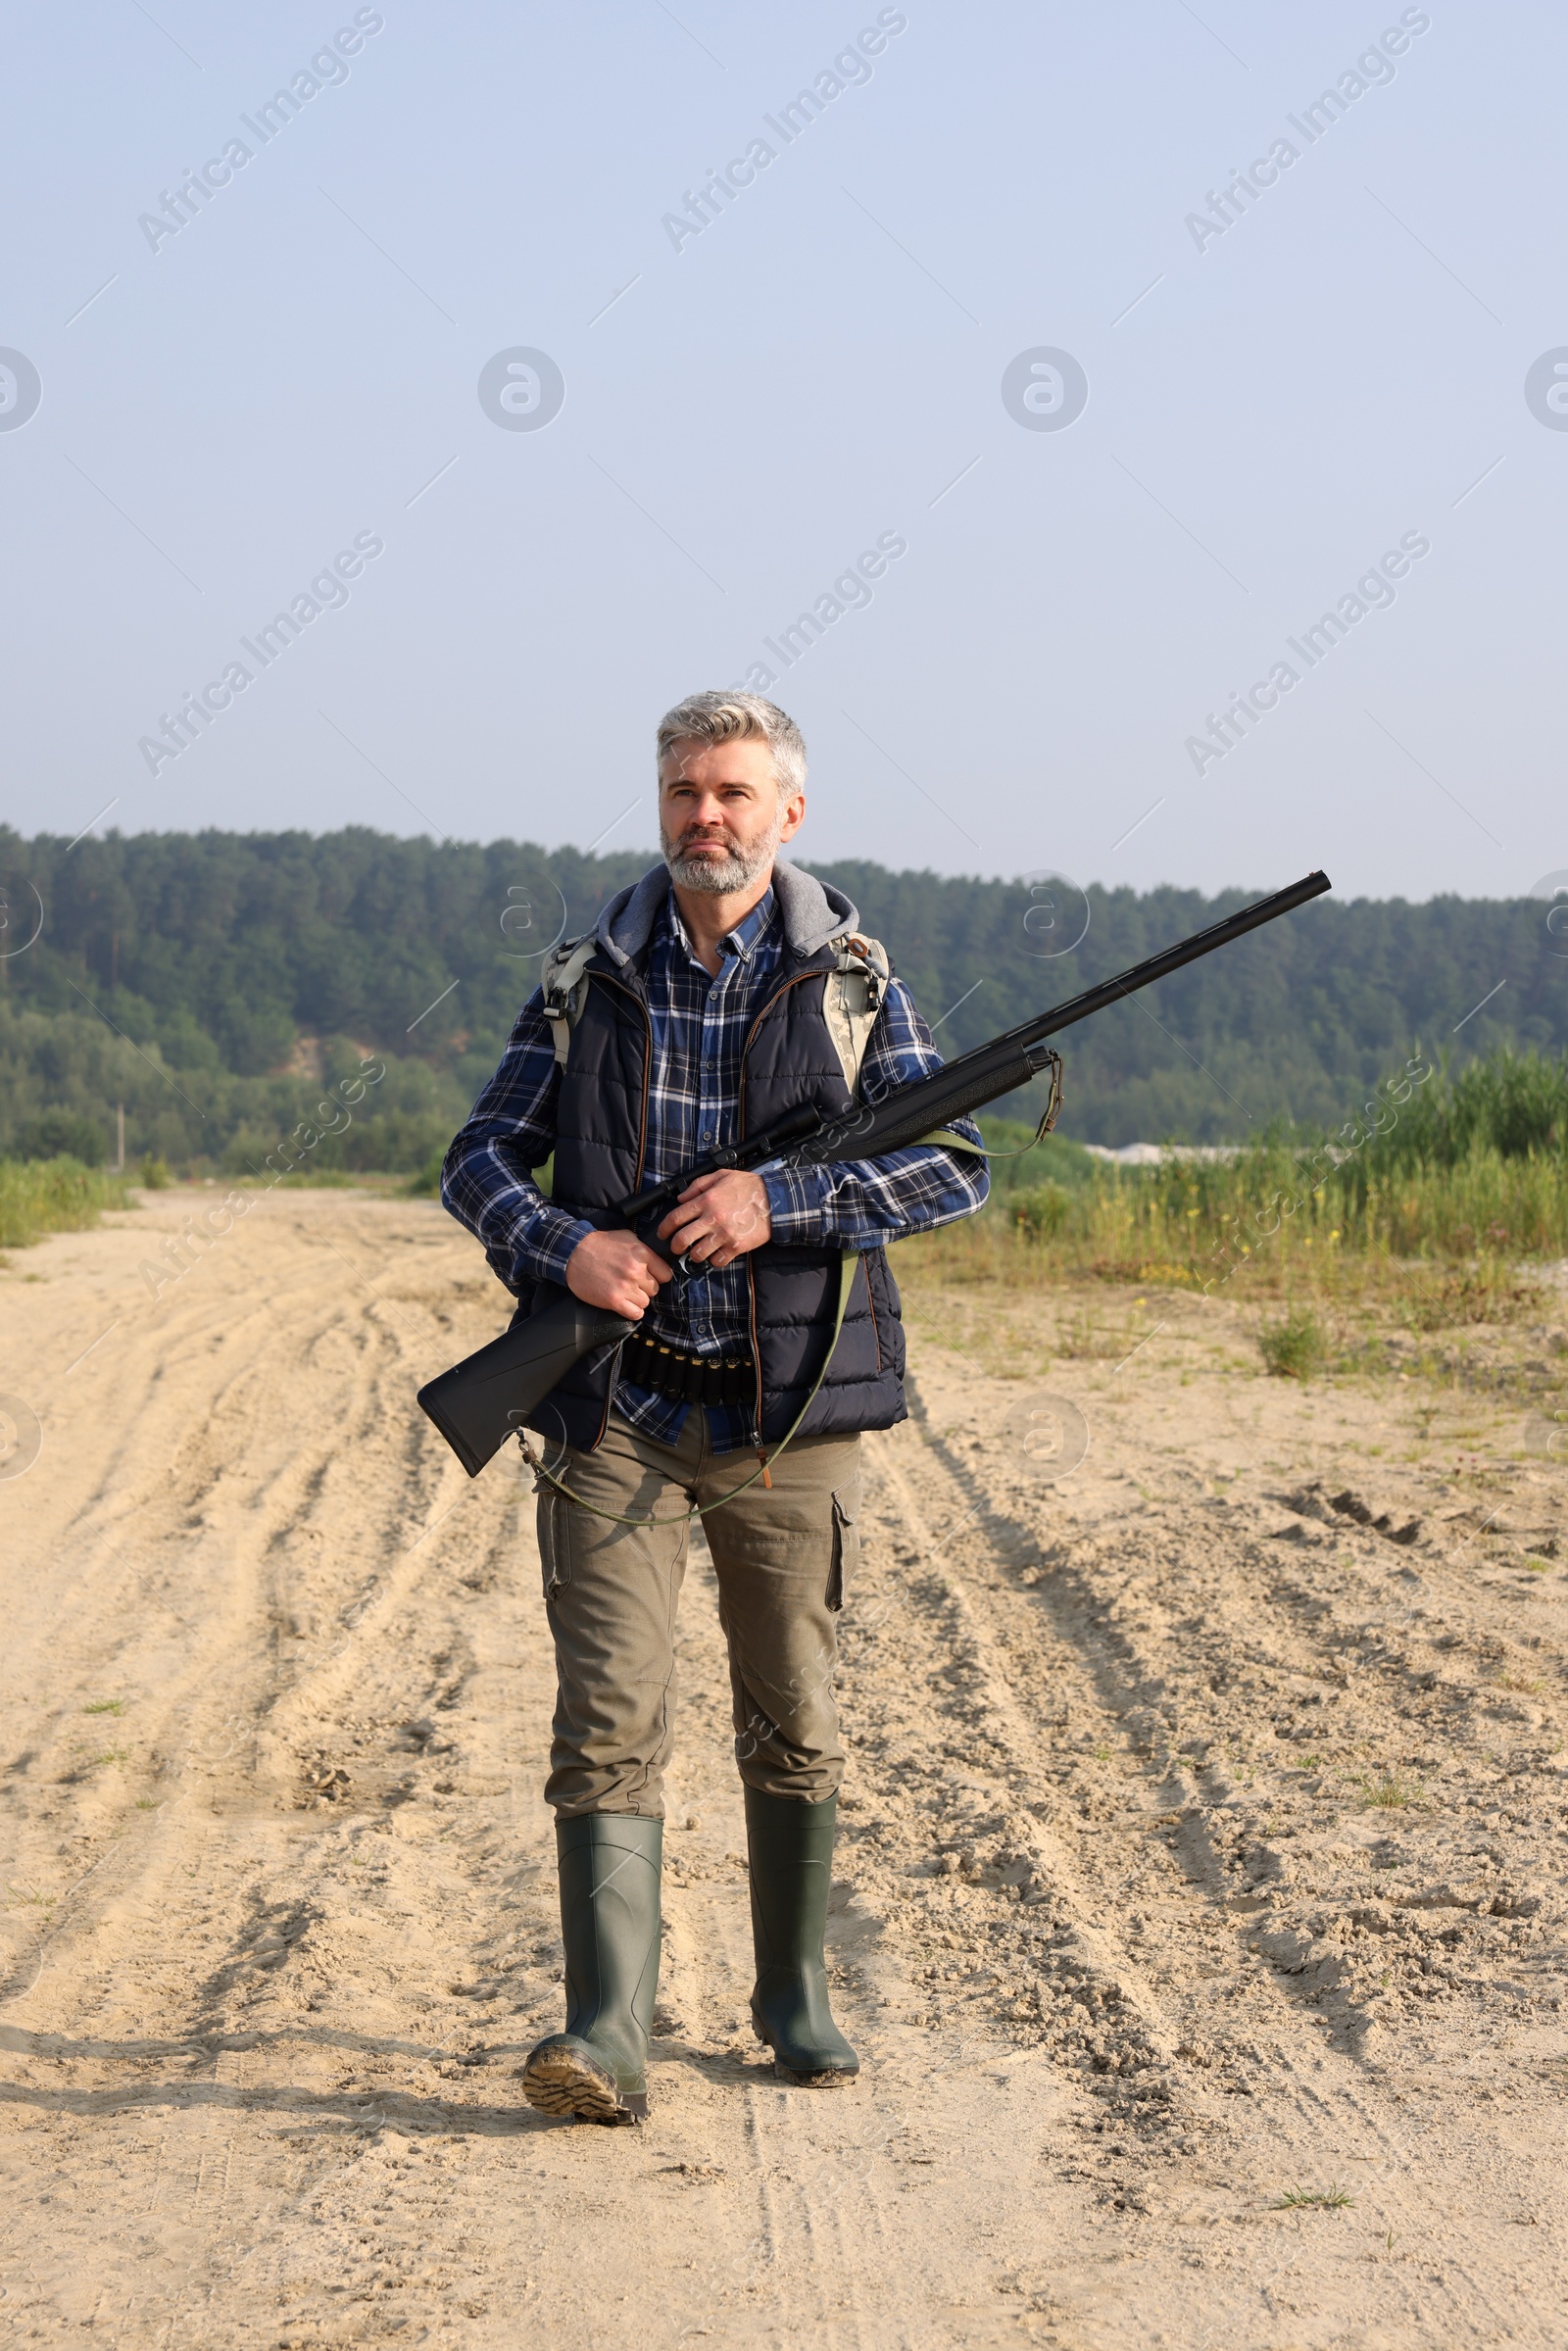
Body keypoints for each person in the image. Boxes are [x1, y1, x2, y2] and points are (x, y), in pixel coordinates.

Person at [440, 691, 988, 2123]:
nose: (707, 816)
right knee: (606, 1719)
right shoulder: (584, 978)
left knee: (792, 1714)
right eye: (686, 789)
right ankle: (606, 2030)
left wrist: (779, 1201)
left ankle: (791, 1998)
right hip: (613, 1409)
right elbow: (476, 1161)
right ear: (663, 801)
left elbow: (956, 1166)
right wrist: (569, 1247)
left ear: (788, 813)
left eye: (736, 792)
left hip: (789, 1415)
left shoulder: (855, 982)